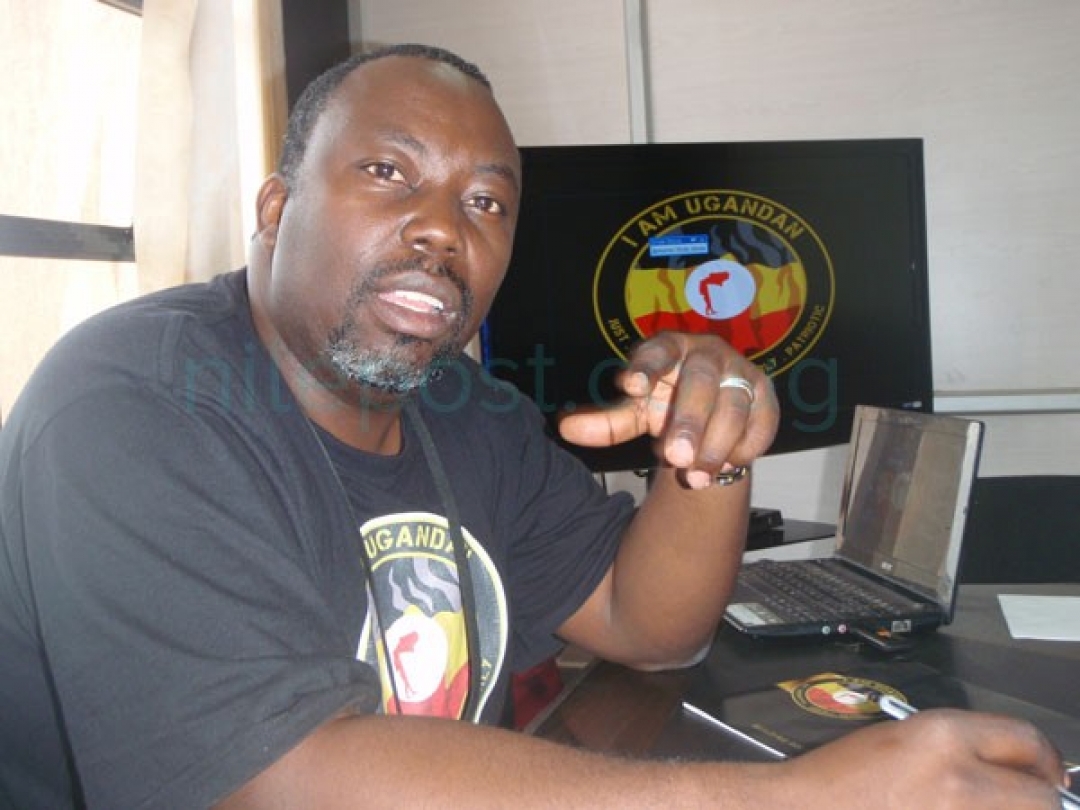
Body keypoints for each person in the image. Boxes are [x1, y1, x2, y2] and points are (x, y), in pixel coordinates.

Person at [0, 42, 1069, 810]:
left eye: (487, 203)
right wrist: (796, 799)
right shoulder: (133, 404)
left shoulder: (468, 413)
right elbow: (274, 778)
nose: (442, 230)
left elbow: (651, 628)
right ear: (276, 209)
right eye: (388, 172)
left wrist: (709, 450)